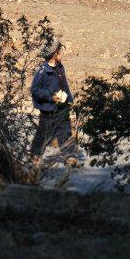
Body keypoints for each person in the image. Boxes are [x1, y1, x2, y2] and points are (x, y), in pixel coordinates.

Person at [30, 38, 80, 166]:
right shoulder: (43, 71)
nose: (62, 54)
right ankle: (35, 157)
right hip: (48, 109)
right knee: (43, 133)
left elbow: (65, 86)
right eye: (60, 52)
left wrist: (70, 101)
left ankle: (69, 157)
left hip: (61, 107)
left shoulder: (59, 67)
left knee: (65, 131)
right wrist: (51, 97)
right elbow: (35, 90)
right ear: (55, 54)